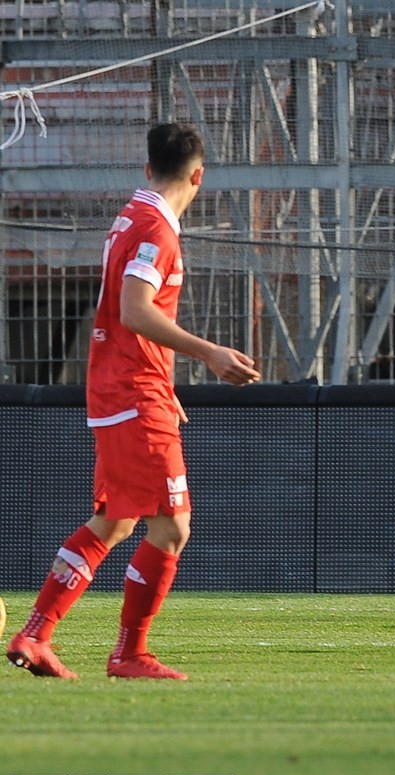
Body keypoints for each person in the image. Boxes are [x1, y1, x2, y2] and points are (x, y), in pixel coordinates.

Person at [6, 122, 261, 680]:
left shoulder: (132, 216)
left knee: (117, 521)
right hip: (130, 391)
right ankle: (128, 654)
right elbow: (135, 309)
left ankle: (36, 634)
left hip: (124, 388)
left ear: (148, 169)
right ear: (199, 177)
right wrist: (210, 353)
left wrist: (163, 384)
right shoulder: (155, 229)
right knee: (172, 527)